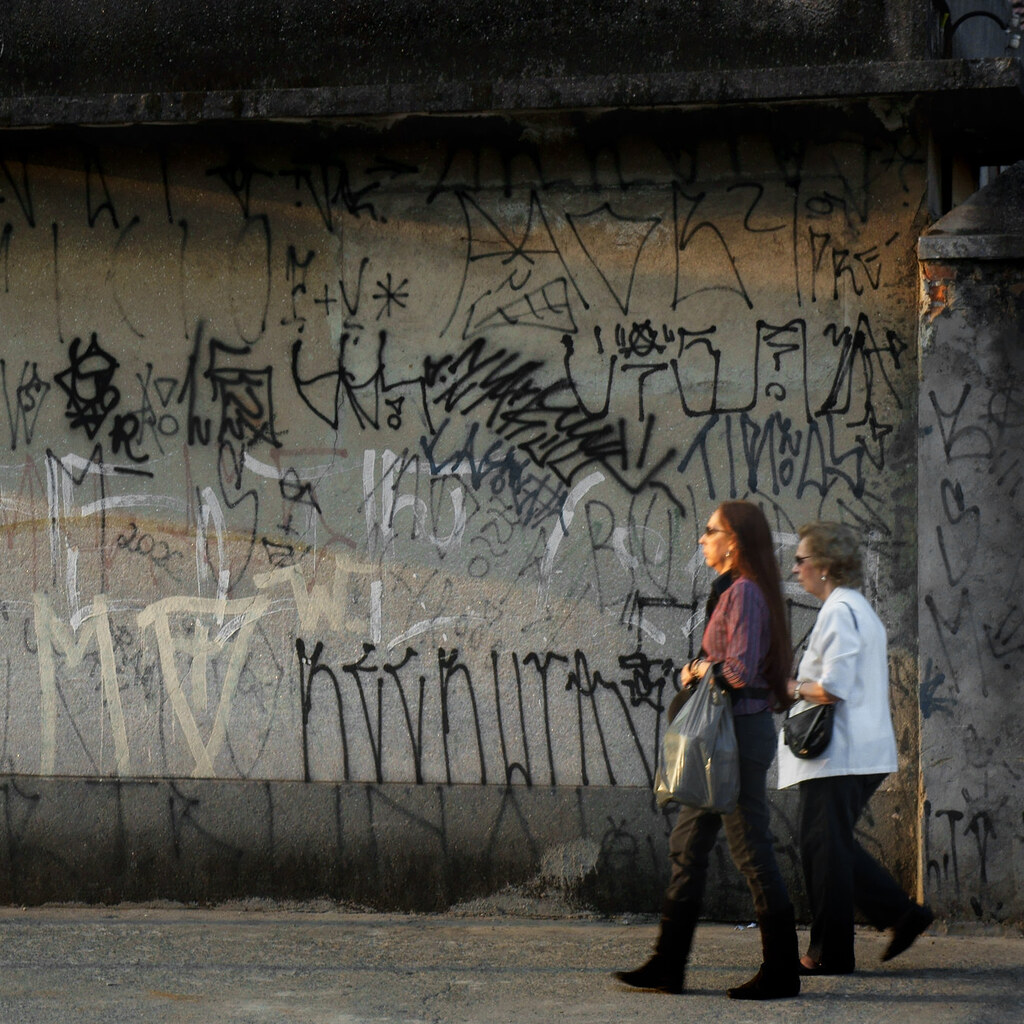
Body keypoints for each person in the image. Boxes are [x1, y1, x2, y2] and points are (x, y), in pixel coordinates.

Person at [615, 500, 800, 1000]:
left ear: (733, 541)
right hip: (730, 736)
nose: (702, 538)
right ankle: (667, 964)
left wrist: (695, 670)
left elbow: (737, 671)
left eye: (710, 530)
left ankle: (782, 970)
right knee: (688, 846)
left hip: (735, 738)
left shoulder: (743, 593)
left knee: (750, 850)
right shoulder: (739, 592)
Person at [778, 521, 933, 974]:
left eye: (802, 560)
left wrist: (791, 687)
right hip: (850, 754)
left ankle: (831, 953)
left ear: (824, 567)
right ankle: (902, 916)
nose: (796, 568)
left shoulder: (841, 611)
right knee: (832, 848)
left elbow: (834, 687)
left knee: (824, 853)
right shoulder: (853, 608)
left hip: (839, 756)